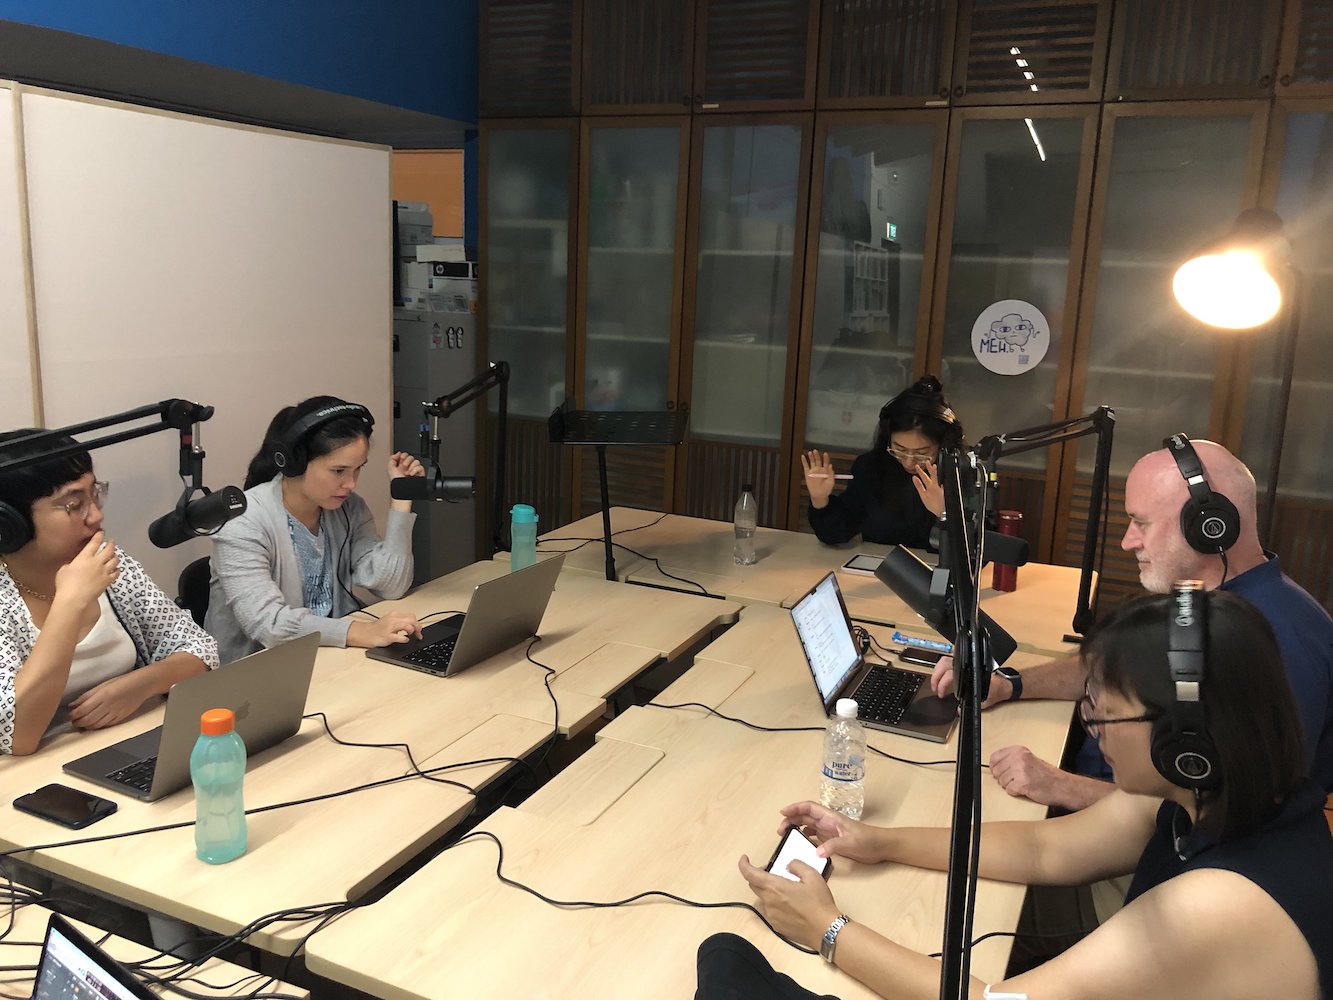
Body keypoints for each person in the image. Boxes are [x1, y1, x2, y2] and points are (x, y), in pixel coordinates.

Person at [711, 589, 1333, 1000]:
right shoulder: (1216, 788)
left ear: (1182, 741)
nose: (1091, 728)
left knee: (728, 968)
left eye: (1104, 713)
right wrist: (878, 842)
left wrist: (828, 928)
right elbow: (1044, 849)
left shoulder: (1223, 903)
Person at [931, 437, 1333, 811]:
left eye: (1141, 523)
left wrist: (1060, 786)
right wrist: (1011, 684)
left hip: (1140, 847)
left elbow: (1221, 815)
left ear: (1210, 525)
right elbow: (1113, 665)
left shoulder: (1278, 645)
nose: (1127, 541)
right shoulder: (1198, 597)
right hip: (1091, 787)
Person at [0, 430, 217, 756]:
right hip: (38, 781)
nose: (96, 515)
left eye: (95, 493)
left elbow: (201, 650)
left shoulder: (112, 566)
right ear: (9, 524)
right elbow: (16, 735)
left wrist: (142, 683)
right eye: (73, 504)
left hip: (131, 748)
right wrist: (70, 603)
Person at [206, 396, 426, 664]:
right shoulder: (242, 522)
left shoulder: (348, 508)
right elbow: (269, 624)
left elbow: (391, 585)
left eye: (358, 470)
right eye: (338, 470)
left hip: (330, 658)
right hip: (256, 673)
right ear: (294, 463)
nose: (351, 484)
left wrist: (402, 497)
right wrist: (360, 631)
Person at [801, 375, 963, 548]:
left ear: (943, 446)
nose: (908, 462)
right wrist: (820, 499)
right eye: (899, 449)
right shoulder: (870, 467)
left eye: (921, 453)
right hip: (878, 569)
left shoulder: (961, 475)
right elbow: (837, 533)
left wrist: (944, 513)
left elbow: (977, 554)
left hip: (938, 573)